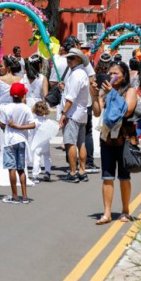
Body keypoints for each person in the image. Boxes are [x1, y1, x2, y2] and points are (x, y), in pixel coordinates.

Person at [90, 61, 138, 225]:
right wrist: (95, 95)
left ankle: (125, 211)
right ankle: (107, 213)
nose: (112, 76)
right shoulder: (105, 91)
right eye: (110, 73)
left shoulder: (130, 91)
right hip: (107, 137)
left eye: (115, 73)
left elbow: (127, 110)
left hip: (124, 138)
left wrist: (112, 93)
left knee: (124, 177)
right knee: (107, 176)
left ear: (124, 75)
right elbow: (97, 112)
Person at [0, 82, 36, 203]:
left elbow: (2, 125)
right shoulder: (26, 108)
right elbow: (33, 124)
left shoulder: (6, 108)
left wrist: (10, 125)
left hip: (9, 141)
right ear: (23, 95)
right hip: (21, 140)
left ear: (11, 95)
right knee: (21, 169)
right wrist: (20, 127)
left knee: (12, 169)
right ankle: (24, 196)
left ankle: (15, 196)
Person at [59, 48, 91, 183]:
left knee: (70, 143)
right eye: (68, 58)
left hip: (73, 113)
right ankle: (82, 171)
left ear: (79, 59)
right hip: (81, 112)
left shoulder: (76, 74)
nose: (69, 60)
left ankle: (73, 172)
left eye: (71, 58)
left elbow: (70, 98)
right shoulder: (81, 73)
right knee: (81, 143)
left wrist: (63, 114)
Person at [31, 101, 52, 183]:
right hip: (45, 142)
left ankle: (35, 175)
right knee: (47, 157)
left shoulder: (34, 121)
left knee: (36, 158)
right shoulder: (47, 121)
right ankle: (47, 172)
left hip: (37, 142)